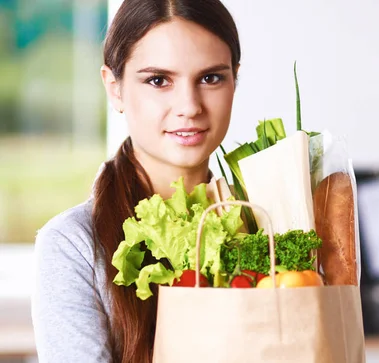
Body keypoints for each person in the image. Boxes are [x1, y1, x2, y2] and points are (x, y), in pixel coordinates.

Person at [31, 1, 241, 362]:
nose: (189, 106)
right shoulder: (74, 244)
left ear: (234, 80)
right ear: (115, 88)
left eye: (210, 78)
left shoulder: (266, 225)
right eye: (158, 80)